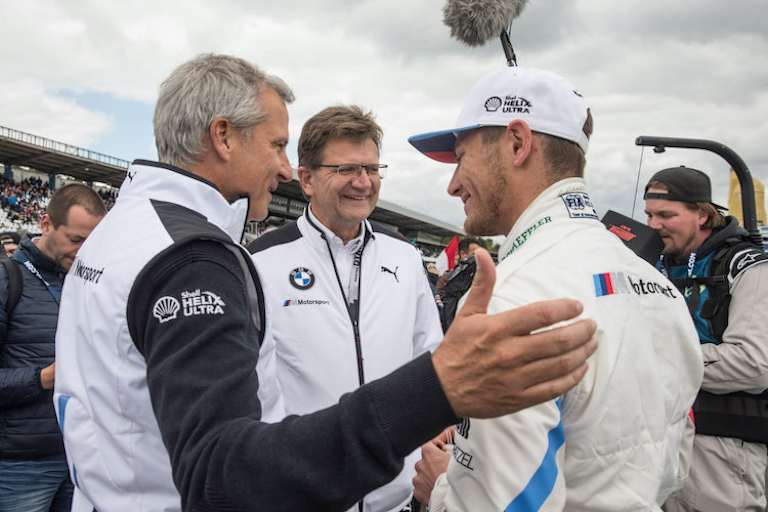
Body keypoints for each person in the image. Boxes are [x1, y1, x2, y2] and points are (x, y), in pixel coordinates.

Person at [53, 54, 598, 512]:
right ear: (222, 136)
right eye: (276, 146)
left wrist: (433, 406)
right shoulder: (207, 257)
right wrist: (438, 389)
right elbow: (220, 473)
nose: (284, 169)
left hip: (379, 490)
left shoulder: (123, 227)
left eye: (372, 169)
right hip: (296, 492)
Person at [407, 66, 703, 511]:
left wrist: (443, 489)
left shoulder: (510, 296)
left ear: (517, 142)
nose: (452, 185)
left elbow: (501, 504)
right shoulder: (658, 284)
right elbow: (674, 464)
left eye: (462, 156)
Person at [248, 105, 443, 512]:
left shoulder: (405, 257)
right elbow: (254, 389)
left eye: (372, 169)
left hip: (399, 498)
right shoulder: (260, 261)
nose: (363, 182)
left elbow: (430, 357)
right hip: (305, 497)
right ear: (307, 178)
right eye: (347, 170)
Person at [644, 166, 768, 512]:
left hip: (722, 445)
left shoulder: (748, 266)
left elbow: (754, 364)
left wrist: (655, 358)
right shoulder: (651, 264)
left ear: (702, 213)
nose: (654, 225)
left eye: (666, 215)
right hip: (656, 438)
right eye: (649, 215)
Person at [0, 184, 105, 512]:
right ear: (46, 224)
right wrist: (44, 378)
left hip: (80, 458)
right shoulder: (8, 279)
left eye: (93, 241)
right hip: (20, 466)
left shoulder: (89, 281)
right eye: (76, 240)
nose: (85, 250)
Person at [437, 237, 482, 330]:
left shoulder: (478, 271)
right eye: (474, 254)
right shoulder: (452, 273)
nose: (478, 257)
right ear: (463, 254)